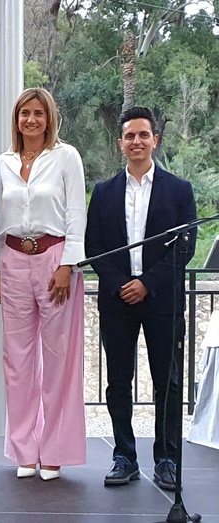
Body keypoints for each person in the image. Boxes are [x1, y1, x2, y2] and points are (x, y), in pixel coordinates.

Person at [86, 107, 196, 490]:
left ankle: (166, 459)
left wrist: (147, 282)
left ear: (155, 140)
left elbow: (185, 248)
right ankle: (124, 456)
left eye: (143, 135)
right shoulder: (103, 192)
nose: (136, 141)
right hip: (117, 301)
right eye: (129, 136)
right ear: (121, 143)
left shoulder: (179, 191)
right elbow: (94, 246)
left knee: (167, 383)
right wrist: (121, 284)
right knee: (118, 381)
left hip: (162, 300)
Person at [0, 88, 87, 481]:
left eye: (38, 114)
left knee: (59, 358)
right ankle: (25, 451)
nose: (30, 120)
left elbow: (77, 213)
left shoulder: (66, 157)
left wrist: (67, 264)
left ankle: (55, 450)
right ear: (16, 119)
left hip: (54, 259)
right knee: (17, 359)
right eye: (24, 113)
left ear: (49, 119)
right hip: (13, 261)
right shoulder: (4, 162)